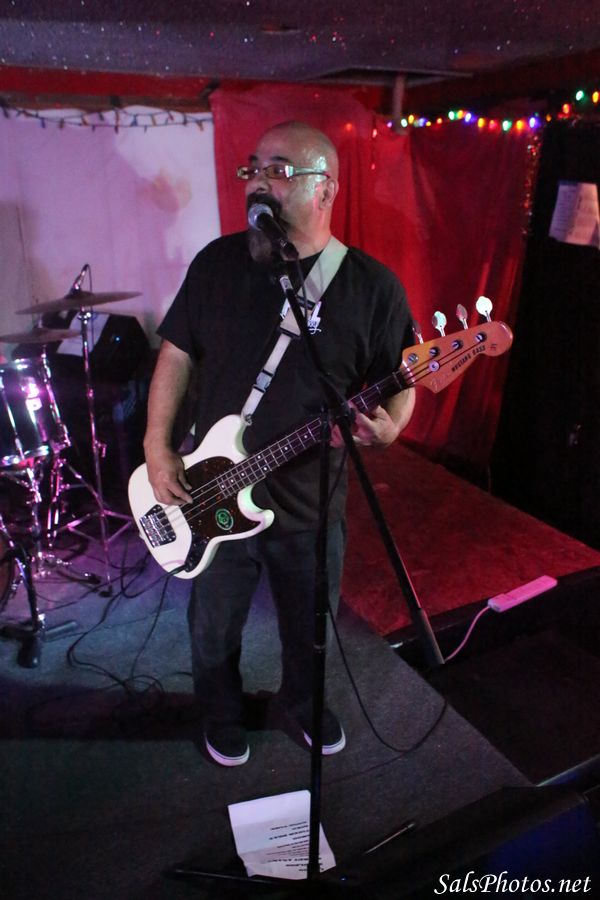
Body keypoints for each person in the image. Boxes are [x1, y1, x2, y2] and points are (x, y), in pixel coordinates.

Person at [143, 121, 416, 766]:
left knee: (310, 625)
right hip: (212, 488)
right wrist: (157, 445)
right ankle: (220, 711)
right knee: (214, 622)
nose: (258, 182)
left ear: (326, 189)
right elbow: (176, 355)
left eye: (279, 170)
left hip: (308, 500)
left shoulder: (372, 287)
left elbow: (402, 376)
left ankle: (302, 704)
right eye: (253, 168)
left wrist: (393, 426)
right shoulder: (216, 263)